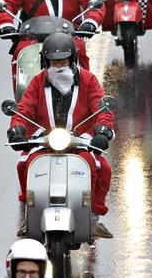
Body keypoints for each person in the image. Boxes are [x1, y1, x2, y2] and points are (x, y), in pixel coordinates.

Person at [7, 32, 115, 239]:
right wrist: (17, 130)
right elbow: (24, 109)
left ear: (72, 59)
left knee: (102, 168)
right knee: (24, 164)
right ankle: (31, 212)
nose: (58, 65)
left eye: (63, 60)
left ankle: (92, 218)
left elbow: (102, 109)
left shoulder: (89, 80)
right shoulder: (37, 82)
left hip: (80, 141)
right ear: (45, 62)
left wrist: (102, 132)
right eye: (53, 62)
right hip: (45, 140)